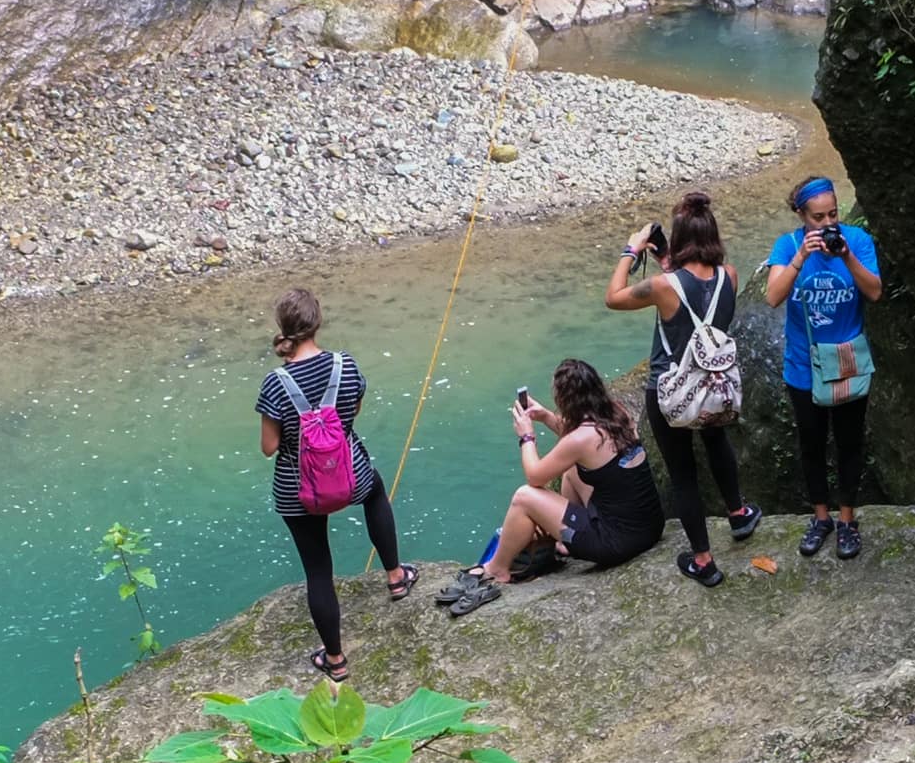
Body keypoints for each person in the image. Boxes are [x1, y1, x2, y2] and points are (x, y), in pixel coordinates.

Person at [603, 190, 760, 585]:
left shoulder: (662, 286)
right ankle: (738, 513)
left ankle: (704, 561)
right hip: (714, 387)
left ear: (679, 239)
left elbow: (613, 298)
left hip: (670, 392)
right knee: (716, 443)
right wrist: (667, 262)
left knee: (683, 473)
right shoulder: (732, 276)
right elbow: (699, 295)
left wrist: (631, 249)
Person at [254, 288, 412, 676]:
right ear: (317, 322)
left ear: (284, 328)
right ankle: (395, 577)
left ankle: (336, 660)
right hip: (349, 473)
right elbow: (351, 413)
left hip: (299, 491)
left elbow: (268, 448)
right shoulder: (345, 364)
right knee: (374, 491)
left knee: (318, 569)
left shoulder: (275, 383)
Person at [439, 357, 669, 616]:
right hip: (648, 528)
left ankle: (496, 569)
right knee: (571, 469)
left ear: (566, 400)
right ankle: (566, 541)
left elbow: (535, 476)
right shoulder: (616, 414)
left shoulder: (581, 439)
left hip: (616, 543)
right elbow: (580, 443)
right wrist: (546, 417)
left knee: (524, 497)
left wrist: (527, 436)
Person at [758, 174, 878, 560]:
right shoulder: (788, 246)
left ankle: (847, 521)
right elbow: (773, 297)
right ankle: (820, 518)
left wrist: (846, 256)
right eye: (818, 218)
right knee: (811, 444)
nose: (828, 225)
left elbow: (874, 291)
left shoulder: (856, 241)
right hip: (804, 367)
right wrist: (801, 257)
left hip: (847, 365)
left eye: (833, 214)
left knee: (849, 444)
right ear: (802, 217)